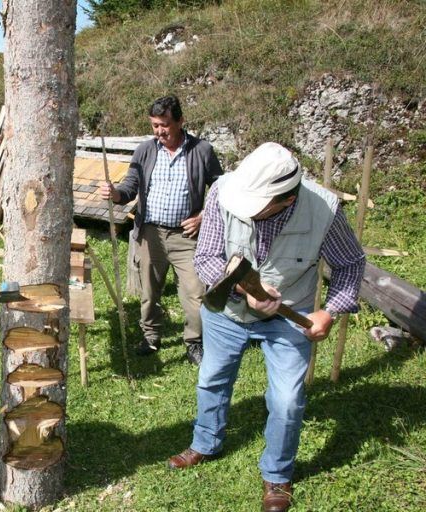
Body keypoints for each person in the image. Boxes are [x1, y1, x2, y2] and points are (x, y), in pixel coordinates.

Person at [167, 142, 366, 512]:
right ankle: (206, 442)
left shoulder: (324, 210)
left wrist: (330, 311)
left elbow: (351, 264)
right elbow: (207, 256)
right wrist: (244, 289)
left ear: (285, 200)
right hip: (226, 312)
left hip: (291, 316)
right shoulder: (224, 191)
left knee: (288, 400)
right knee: (211, 378)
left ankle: (277, 473)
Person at [99, 95, 223, 364]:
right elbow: (130, 187)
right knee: (149, 292)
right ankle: (151, 337)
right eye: (155, 125)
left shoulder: (202, 151)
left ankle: (193, 342)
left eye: (164, 125)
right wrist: (115, 193)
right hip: (151, 234)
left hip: (186, 236)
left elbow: (221, 190)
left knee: (195, 292)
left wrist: (203, 217)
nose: (159, 131)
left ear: (180, 121)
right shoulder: (145, 150)